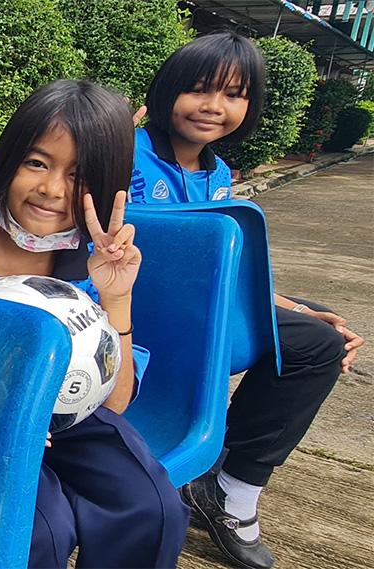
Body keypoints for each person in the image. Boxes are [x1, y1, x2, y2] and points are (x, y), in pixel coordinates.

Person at [0, 80, 188, 568]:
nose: (52, 189)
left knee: (153, 507)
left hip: (73, 418)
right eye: (37, 162)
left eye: (79, 175)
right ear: (8, 160)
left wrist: (115, 296)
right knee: (41, 530)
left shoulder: (91, 265)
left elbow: (116, 401)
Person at [131, 31, 364, 569]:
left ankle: (228, 478)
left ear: (250, 106)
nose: (214, 107)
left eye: (234, 94)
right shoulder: (127, 152)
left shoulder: (215, 175)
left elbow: (226, 272)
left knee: (319, 332)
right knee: (315, 347)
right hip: (146, 318)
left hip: (201, 311)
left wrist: (294, 308)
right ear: (167, 91)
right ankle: (233, 490)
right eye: (198, 89)